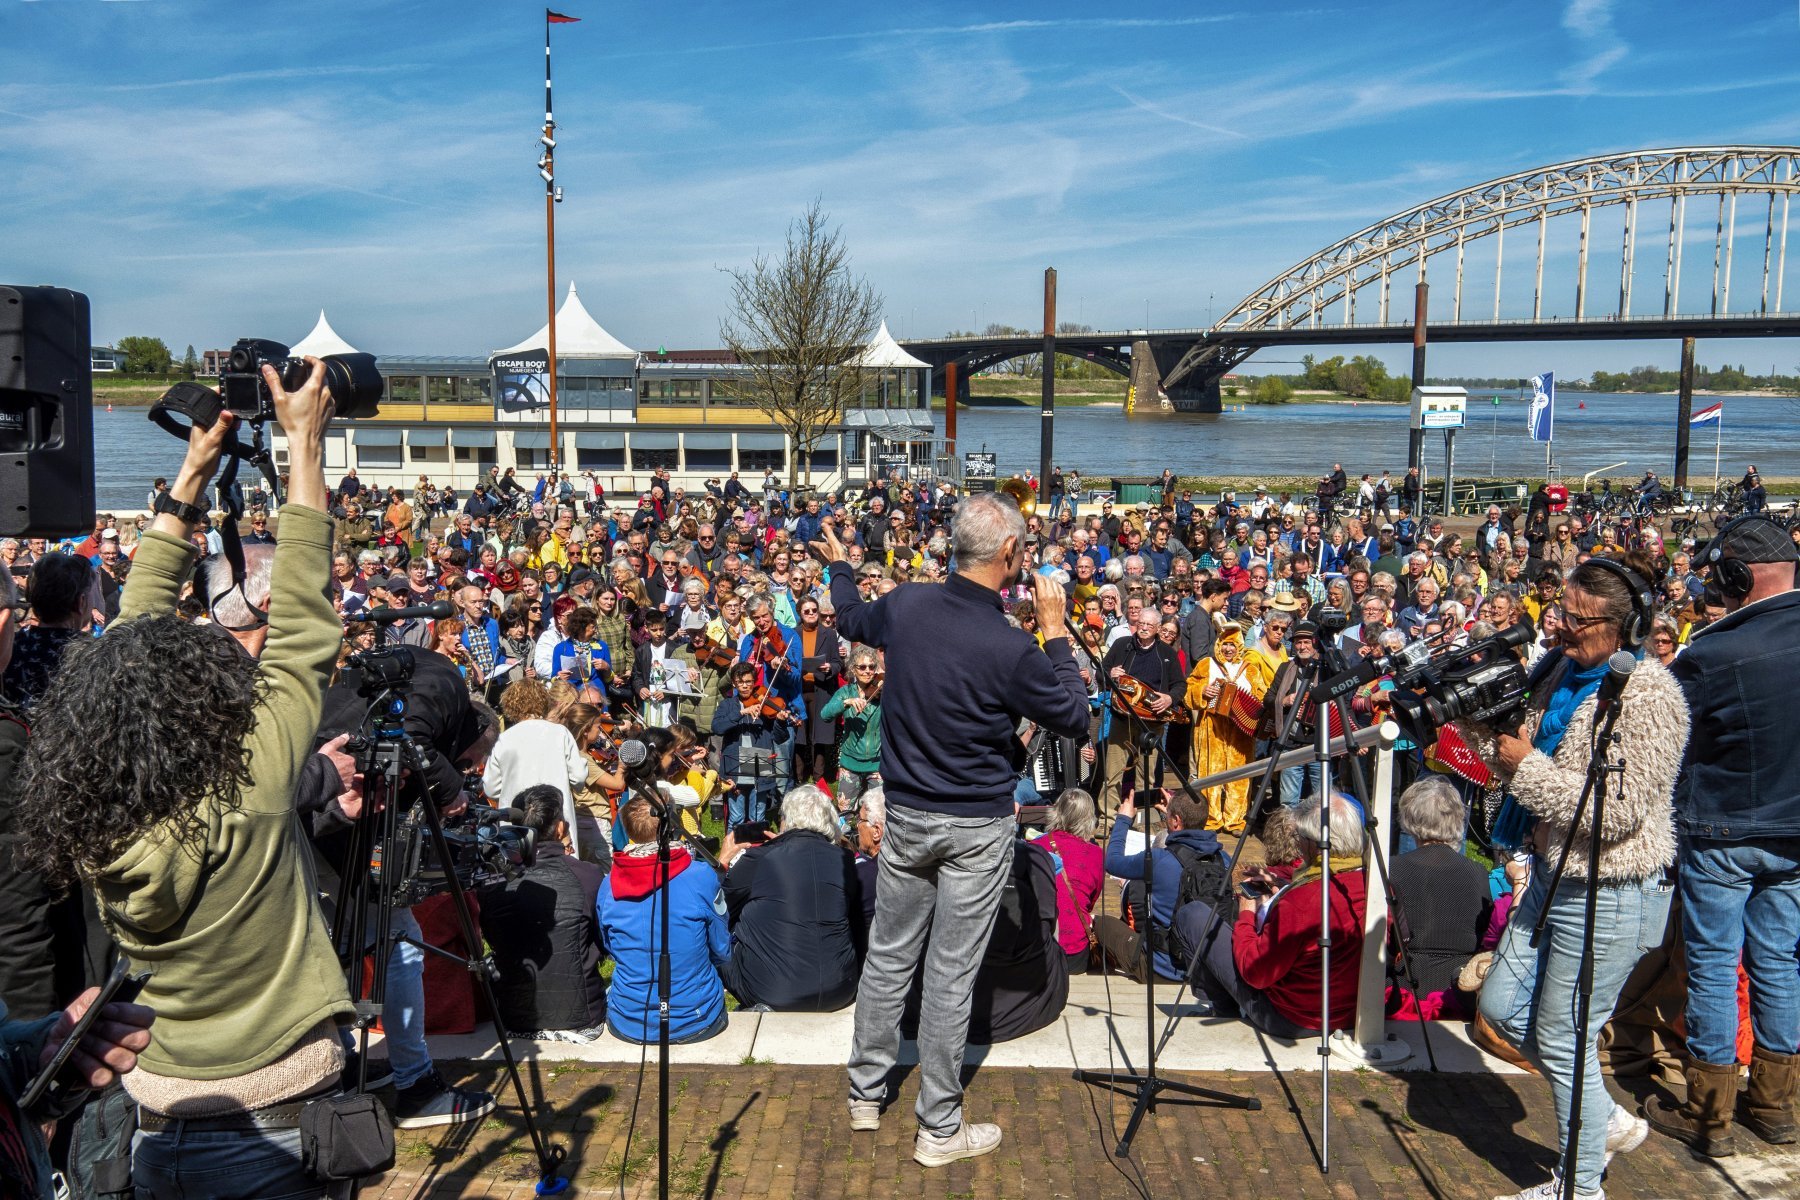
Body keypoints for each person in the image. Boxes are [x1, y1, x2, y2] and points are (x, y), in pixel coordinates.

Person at [13, 361, 364, 1198]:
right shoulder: (252, 785)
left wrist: (197, 470)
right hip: (275, 1113)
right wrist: (304, 441)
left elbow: (131, 647)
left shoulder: (94, 810)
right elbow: (307, 617)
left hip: (158, 1117)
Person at [823, 494, 1088, 1167]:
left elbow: (851, 616)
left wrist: (841, 569)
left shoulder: (908, 605)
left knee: (889, 954)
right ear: (1010, 556)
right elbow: (1073, 714)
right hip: (974, 826)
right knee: (948, 975)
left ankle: (865, 1092)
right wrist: (1055, 630)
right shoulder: (1012, 645)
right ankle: (938, 1129)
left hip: (906, 814)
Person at [1462, 556, 1688, 1200]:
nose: (1559, 626)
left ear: (1624, 627)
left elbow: (1615, 813)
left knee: (1565, 1036)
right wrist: (1481, 725)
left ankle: (1579, 1186)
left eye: (1577, 619)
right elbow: (1512, 757)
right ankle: (1607, 1117)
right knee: (1502, 1006)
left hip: (1609, 890)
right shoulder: (1560, 668)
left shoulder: (1650, 696)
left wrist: (1525, 766)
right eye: (1559, 611)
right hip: (1550, 873)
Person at [1647, 516, 1800, 1157]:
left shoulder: (1710, 654)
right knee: (1780, 962)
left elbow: (1672, 749)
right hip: (1794, 832)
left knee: (1713, 965)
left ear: (1741, 575)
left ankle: (1709, 1115)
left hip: (1723, 830)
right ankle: (1776, 1106)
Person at [1176, 793, 1367, 1038]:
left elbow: (1256, 971)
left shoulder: (1302, 901)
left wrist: (1246, 914)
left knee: (1193, 915)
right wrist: (1282, 885)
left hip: (1290, 1017)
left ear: (1314, 844)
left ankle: (1223, 1010)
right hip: (1350, 1012)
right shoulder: (1372, 884)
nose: (1298, 844)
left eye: (1301, 838)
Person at [596, 741, 731, 1044]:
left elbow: (610, 945)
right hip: (696, 1017)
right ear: (671, 825)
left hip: (628, 1019)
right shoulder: (699, 876)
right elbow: (722, 950)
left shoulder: (608, 884)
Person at [478, 785, 607, 1042]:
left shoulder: (491, 880)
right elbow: (603, 940)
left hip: (514, 1016)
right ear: (560, 828)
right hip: (583, 1018)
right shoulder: (588, 875)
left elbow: (491, 939)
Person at [717, 784, 862, 1012]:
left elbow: (720, 906)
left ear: (786, 819)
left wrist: (722, 863)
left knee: (714, 928)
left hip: (773, 992)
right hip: (841, 988)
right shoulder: (843, 858)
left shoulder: (760, 858)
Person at [1098, 789, 1229, 981]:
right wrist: (1175, 814)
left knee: (1102, 924)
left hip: (1162, 969)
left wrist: (1123, 819)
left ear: (1175, 821)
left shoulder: (1159, 859)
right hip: (1205, 968)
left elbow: (1112, 862)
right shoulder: (1223, 859)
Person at [1388, 777, 1492, 1017]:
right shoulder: (1478, 872)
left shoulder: (1391, 869)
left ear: (1410, 818)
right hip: (1459, 992)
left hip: (1404, 991)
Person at [485, 679, 592, 858]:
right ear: (543, 701)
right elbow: (579, 777)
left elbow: (491, 788)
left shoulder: (504, 739)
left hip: (517, 822)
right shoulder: (560, 733)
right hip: (555, 821)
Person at [1184, 625, 1257, 832]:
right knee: (1210, 772)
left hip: (1240, 728)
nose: (1228, 649)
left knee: (1240, 774)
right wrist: (1202, 691)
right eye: (1224, 644)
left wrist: (1252, 714)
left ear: (1239, 647)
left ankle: (1235, 820)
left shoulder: (1250, 668)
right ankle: (1211, 818)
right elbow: (1189, 689)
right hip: (1211, 725)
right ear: (1218, 645)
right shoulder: (1206, 665)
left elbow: (1260, 694)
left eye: (1232, 645)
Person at [1036, 788, 1105, 974]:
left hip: (1038, 950)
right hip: (1074, 954)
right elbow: (1091, 901)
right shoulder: (1096, 854)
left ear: (1056, 812)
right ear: (1089, 820)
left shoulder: (1033, 847)